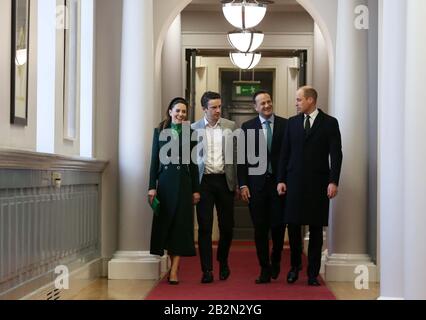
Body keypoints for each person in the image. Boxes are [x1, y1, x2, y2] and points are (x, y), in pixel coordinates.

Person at [277, 86, 343, 286]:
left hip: (319, 184)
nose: (296, 103)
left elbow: (336, 154)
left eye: (299, 99)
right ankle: (294, 268)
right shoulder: (292, 123)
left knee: (316, 229)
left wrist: (333, 181)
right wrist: (281, 179)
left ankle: (313, 273)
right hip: (294, 183)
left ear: (310, 100)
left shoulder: (330, 123)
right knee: (294, 228)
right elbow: (284, 153)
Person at [148, 97, 201, 285]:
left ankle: (174, 271)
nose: (180, 114)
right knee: (167, 226)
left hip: (184, 184)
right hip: (165, 184)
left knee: (180, 227)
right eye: (177, 111)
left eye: (183, 112)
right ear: (170, 111)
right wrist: (151, 187)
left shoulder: (191, 133)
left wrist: (196, 189)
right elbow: (154, 160)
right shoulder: (160, 131)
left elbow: (194, 165)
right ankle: (171, 265)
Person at [238, 91, 287, 284]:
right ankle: (264, 269)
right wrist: (243, 184)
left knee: (278, 228)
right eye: (262, 103)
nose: (267, 105)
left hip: (279, 186)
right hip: (256, 188)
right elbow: (241, 159)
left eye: (269, 102)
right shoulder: (247, 127)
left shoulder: (285, 124)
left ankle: (276, 260)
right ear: (255, 107)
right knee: (260, 230)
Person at [191, 91, 238, 284]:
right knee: (205, 228)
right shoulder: (193, 129)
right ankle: (207, 270)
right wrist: (192, 188)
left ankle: (223, 259)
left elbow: (237, 157)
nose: (218, 110)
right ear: (204, 109)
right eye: (214, 107)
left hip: (224, 182)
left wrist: (236, 182)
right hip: (204, 184)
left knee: (227, 227)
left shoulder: (231, 126)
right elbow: (190, 162)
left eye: (219, 106)